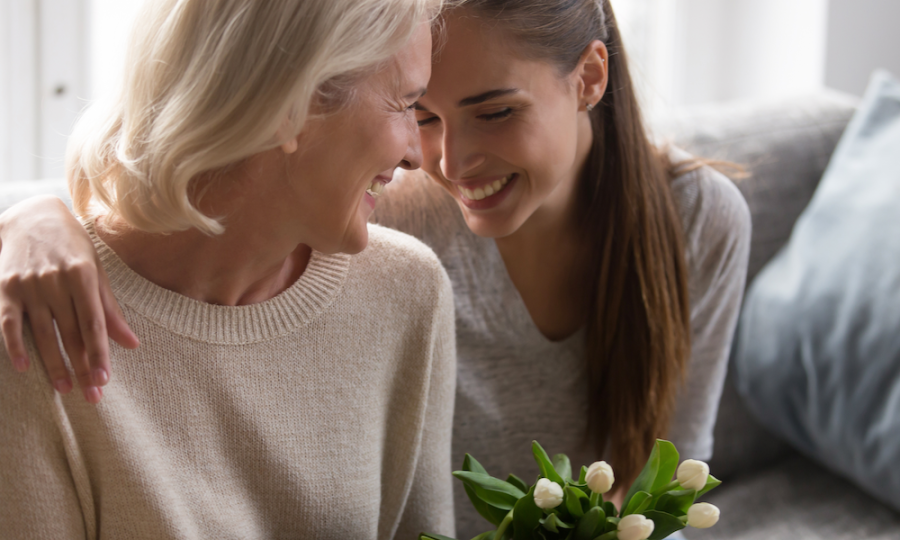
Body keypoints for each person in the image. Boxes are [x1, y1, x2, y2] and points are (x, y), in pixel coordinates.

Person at [0, 1, 750, 538]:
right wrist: (28, 218)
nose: (439, 162)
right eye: (417, 110)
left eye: (494, 111)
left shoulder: (398, 280)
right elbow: (199, 185)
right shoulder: (385, 222)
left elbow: (672, 474)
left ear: (590, 78)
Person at [0, 0, 458, 539]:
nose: (416, 156)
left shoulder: (407, 292)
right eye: (404, 103)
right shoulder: (39, 316)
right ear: (293, 105)